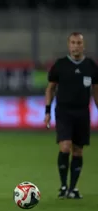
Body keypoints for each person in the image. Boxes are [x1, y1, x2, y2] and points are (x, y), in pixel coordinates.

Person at [44, 32, 98, 199]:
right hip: (63, 112)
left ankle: (73, 189)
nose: (76, 46)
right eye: (73, 43)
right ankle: (63, 186)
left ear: (83, 45)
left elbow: (96, 91)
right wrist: (47, 111)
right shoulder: (60, 65)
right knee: (65, 146)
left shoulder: (90, 65)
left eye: (79, 43)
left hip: (83, 112)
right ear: (69, 45)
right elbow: (50, 88)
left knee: (78, 151)